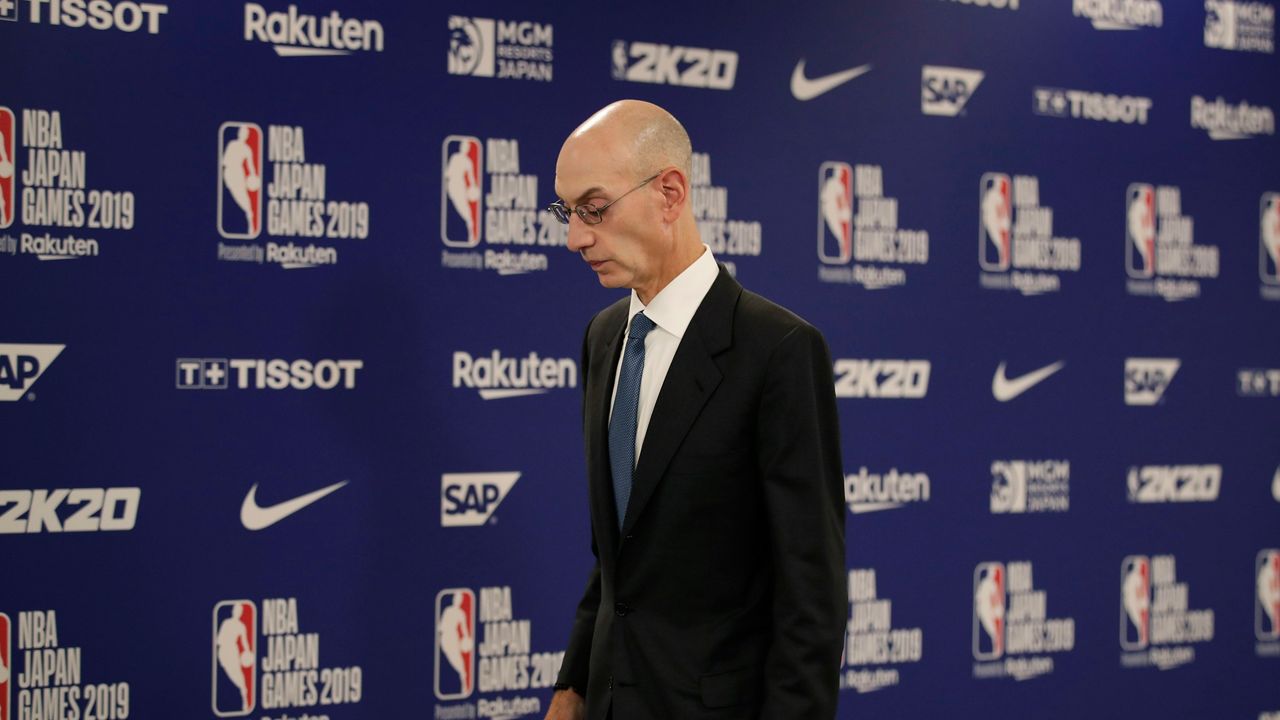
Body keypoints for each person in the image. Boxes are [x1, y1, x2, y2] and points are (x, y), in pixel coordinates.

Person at [544, 100, 846, 720]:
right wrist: (573, 685)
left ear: (670, 193)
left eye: (593, 209)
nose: (574, 237)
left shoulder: (779, 351)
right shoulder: (603, 338)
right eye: (566, 212)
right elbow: (618, 556)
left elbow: (810, 594)